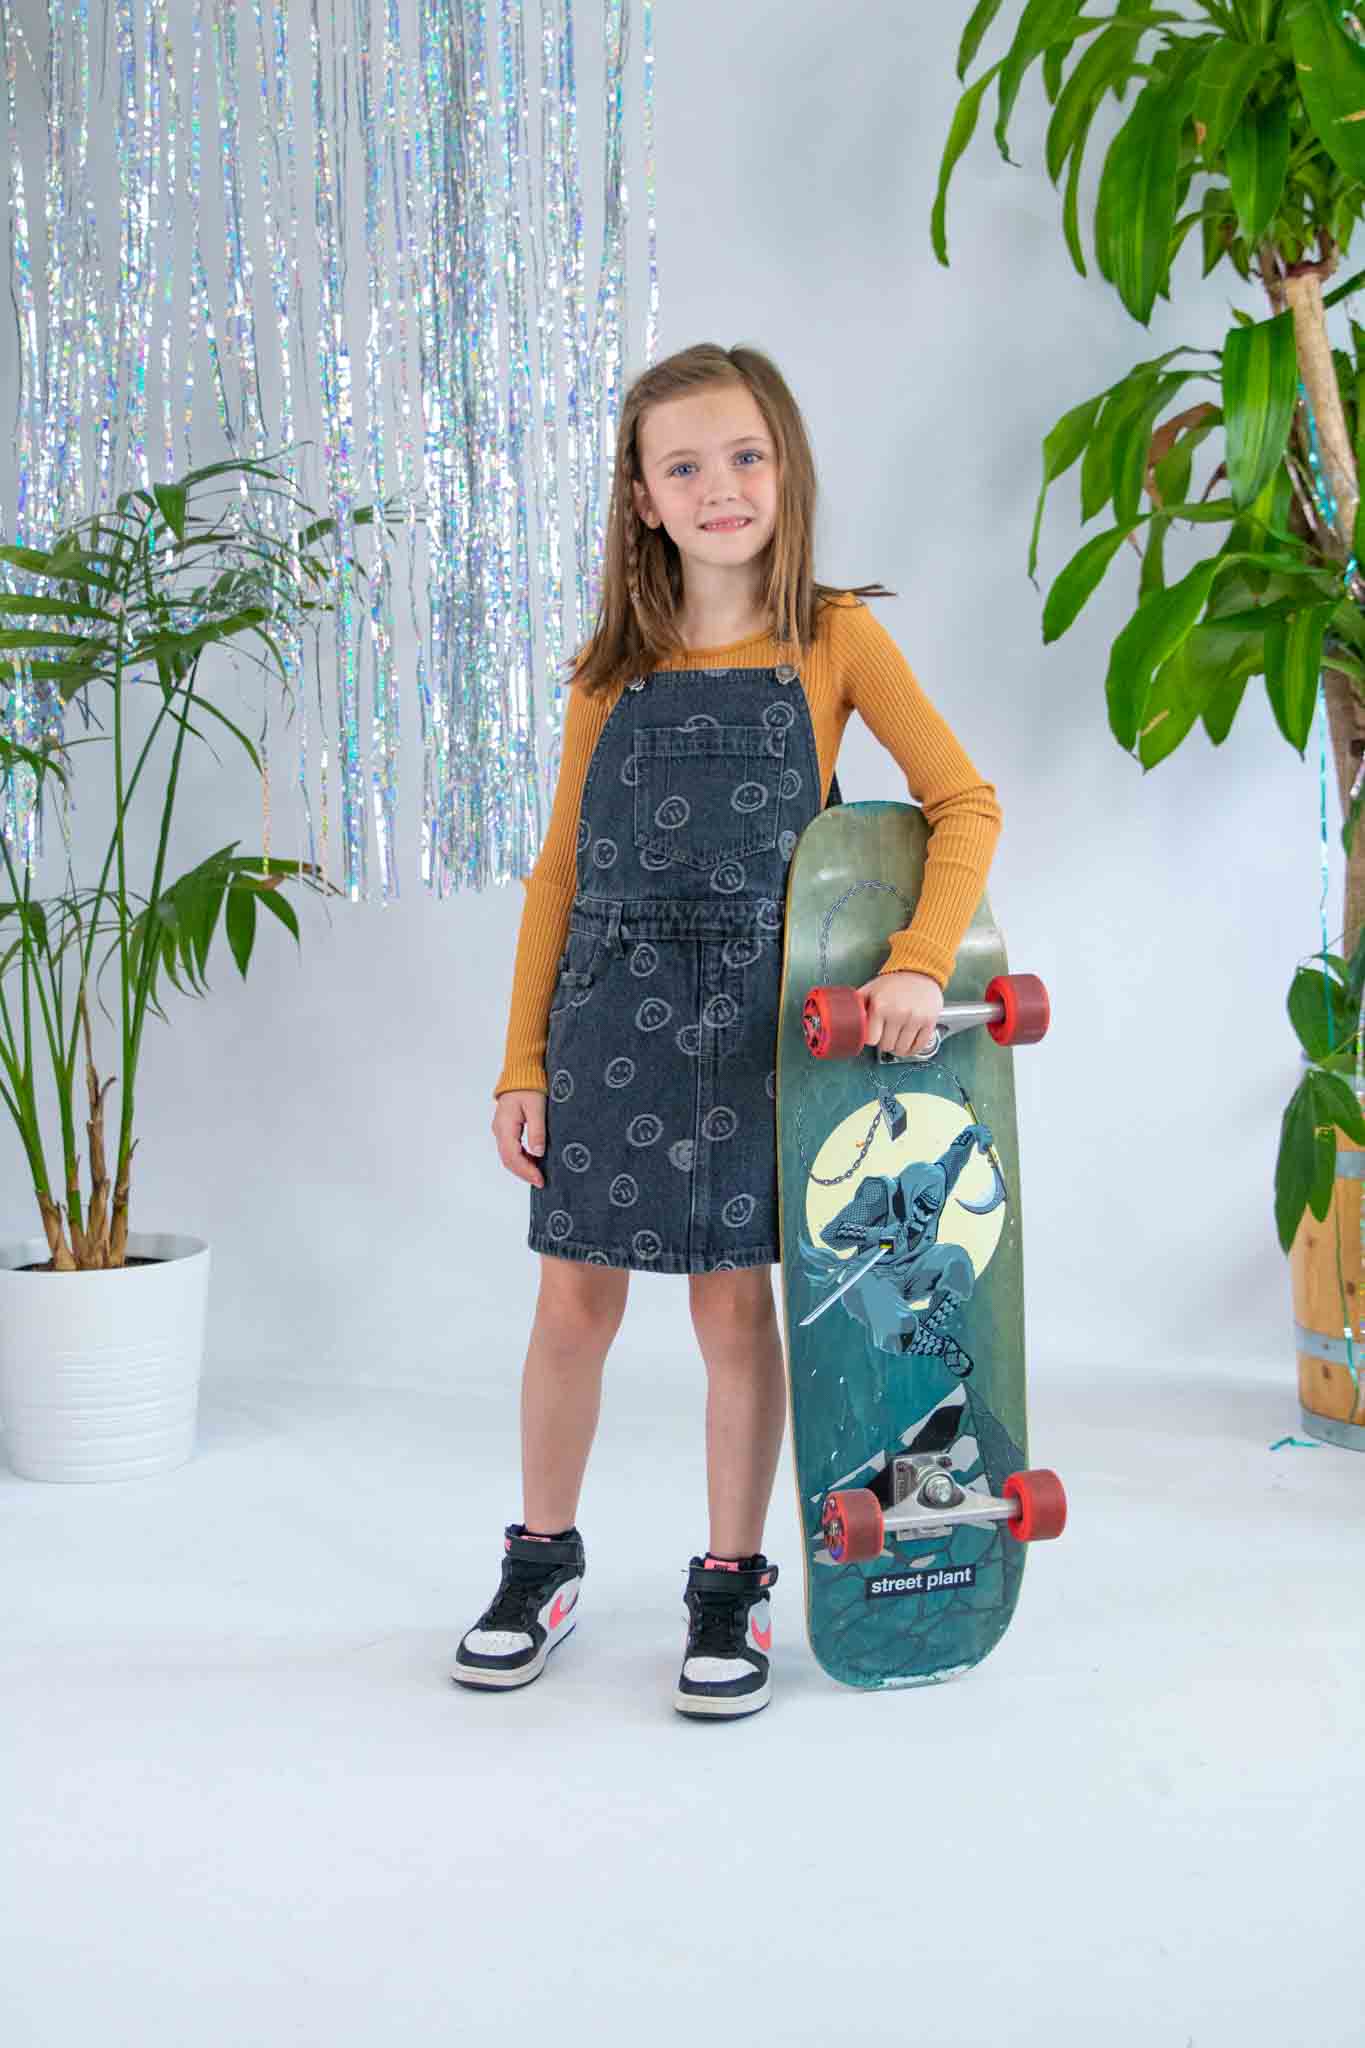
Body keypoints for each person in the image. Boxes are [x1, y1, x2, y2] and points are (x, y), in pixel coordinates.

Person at [453, 342, 1002, 1718]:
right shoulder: (608, 670)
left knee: (733, 1312)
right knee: (572, 1306)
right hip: (611, 1025)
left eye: (745, 456)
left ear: (786, 467)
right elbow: (559, 876)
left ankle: (731, 1582)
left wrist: (916, 963)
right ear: (640, 497)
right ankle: (542, 1563)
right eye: (684, 465)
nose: (721, 487)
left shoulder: (834, 638)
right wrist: (522, 1063)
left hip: (763, 1037)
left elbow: (963, 801)